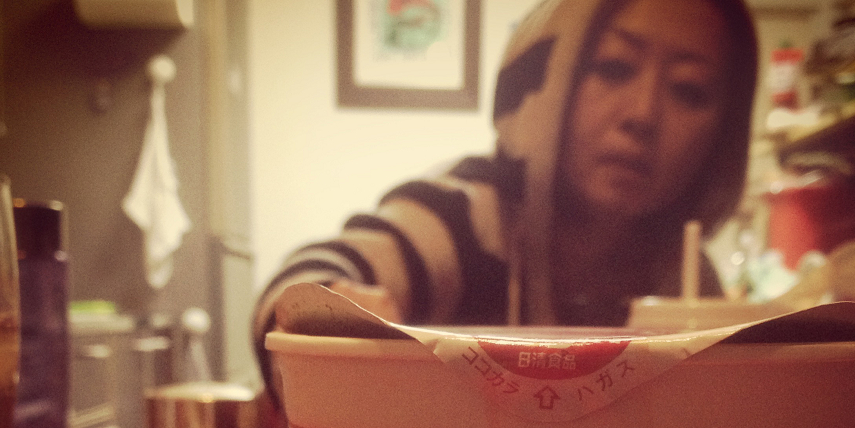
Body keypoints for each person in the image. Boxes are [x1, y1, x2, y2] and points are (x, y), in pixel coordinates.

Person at [252, 0, 759, 396]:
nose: (643, 114)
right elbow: (300, 287)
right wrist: (331, 311)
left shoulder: (689, 280)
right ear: (545, 78)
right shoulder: (464, 218)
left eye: (690, 90)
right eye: (613, 67)